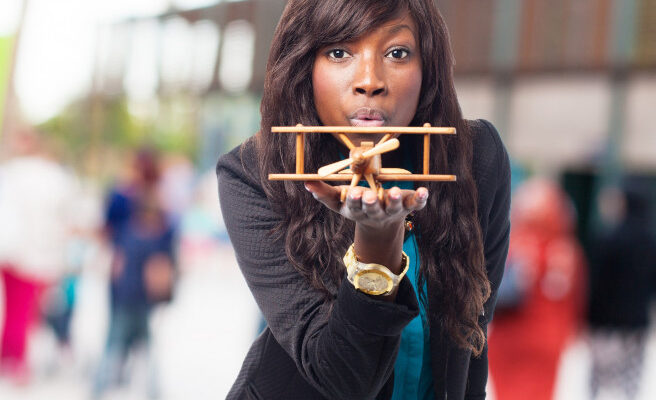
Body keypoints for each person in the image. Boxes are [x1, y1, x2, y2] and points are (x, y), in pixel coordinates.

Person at [216, 1, 511, 399]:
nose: (369, 81)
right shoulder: (253, 173)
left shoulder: (477, 157)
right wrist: (376, 243)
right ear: (304, 64)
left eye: (397, 53)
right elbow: (343, 381)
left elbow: (471, 340)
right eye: (339, 52)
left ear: (429, 68)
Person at [0, 129, 78, 383]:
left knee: (9, 310)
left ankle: (4, 359)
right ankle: (17, 363)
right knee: (23, 313)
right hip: (34, 255)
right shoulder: (54, 179)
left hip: (7, 251)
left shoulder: (9, 173)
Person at [488, 178, 585, 400]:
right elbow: (577, 300)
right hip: (551, 339)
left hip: (510, 338)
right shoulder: (569, 251)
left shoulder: (515, 244)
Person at [93, 149, 177, 399]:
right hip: (142, 293)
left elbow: (110, 239)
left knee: (116, 340)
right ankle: (146, 389)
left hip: (126, 290)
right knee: (144, 344)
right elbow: (164, 261)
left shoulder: (125, 209)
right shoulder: (160, 209)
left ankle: (102, 386)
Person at [586, 179, 656, 400]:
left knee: (599, 381)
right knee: (630, 386)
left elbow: (596, 285)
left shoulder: (609, 238)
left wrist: (586, 320)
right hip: (637, 324)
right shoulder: (650, 242)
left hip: (606, 325)